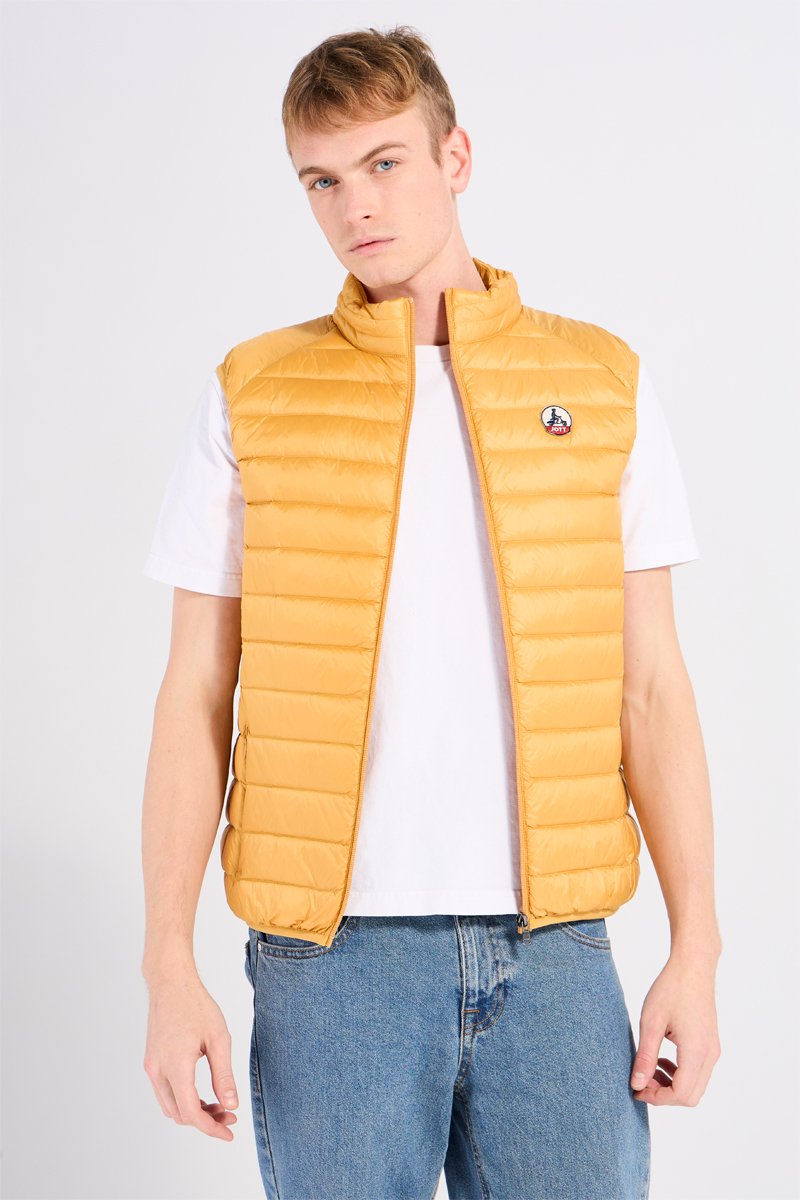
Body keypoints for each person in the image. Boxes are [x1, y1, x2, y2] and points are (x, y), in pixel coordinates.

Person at [140, 25, 722, 1200]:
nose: (355, 205)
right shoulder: (254, 393)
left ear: (454, 157)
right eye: (320, 179)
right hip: (330, 964)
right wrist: (167, 966)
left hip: (556, 952)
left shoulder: (599, 383)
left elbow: (650, 686)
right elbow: (196, 694)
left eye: (384, 163)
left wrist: (694, 949)